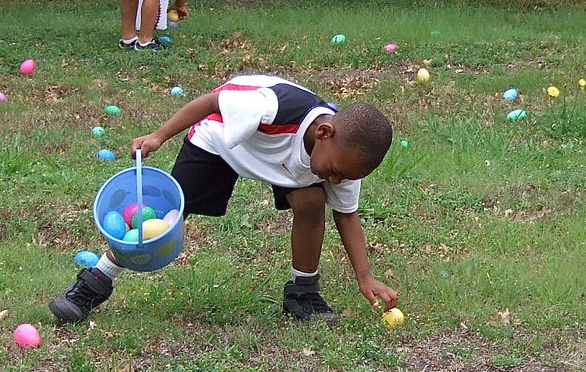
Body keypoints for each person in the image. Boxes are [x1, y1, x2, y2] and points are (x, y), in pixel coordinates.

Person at [50, 74, 398, 325]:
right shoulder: (271, 108)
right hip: (221, 144)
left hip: (285, 166)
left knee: (311, 201)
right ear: (324, 133)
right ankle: (94, 282)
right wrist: (159, 136)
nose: (336, 180)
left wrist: (365, 277)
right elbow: (214, 100)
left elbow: (347, 217)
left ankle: (303, 295)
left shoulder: (343, 160)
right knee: (166, 217)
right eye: (335, 171)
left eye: (344, 177)